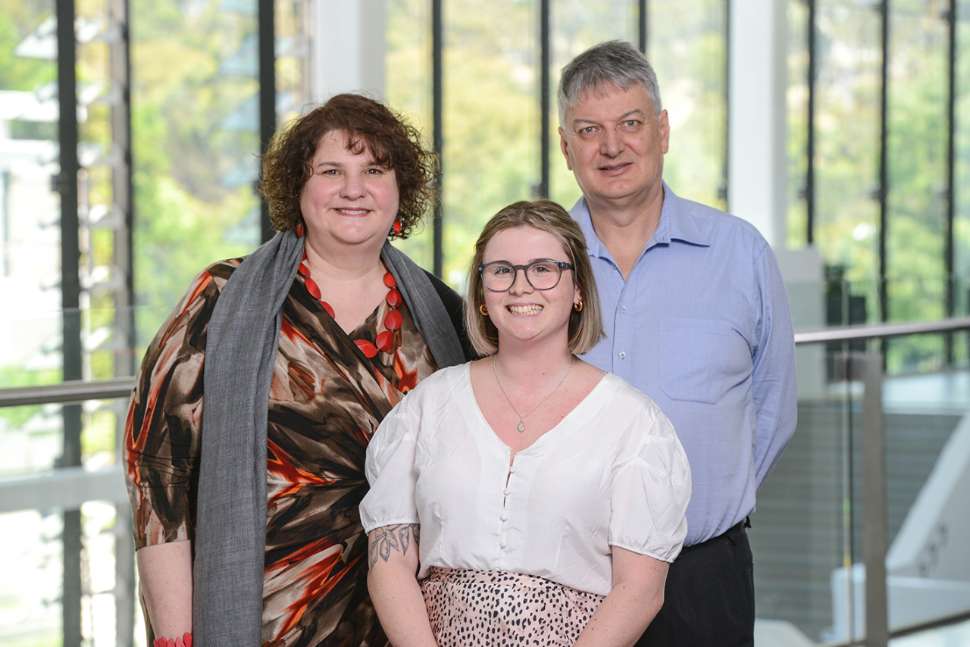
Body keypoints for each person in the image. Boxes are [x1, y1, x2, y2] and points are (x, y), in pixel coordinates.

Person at [123, 93, 471, 647]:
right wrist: (175, 633)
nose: (353, 188)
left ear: (400, 189)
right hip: (264, 616)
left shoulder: (446, 313)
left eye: (374, 170)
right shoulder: (221, 297)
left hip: (415, 617)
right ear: (299, 189)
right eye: (331, 170)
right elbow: (157, 468)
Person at [359, 200, 691, 646]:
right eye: (501, 270)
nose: (521, 286)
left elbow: (640, 590)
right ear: (481, 293)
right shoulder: (428, 404)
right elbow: (389, 564)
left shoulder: (634, 424)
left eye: (543, 269)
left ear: (578, 290)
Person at [557, 40, 798, 646]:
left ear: (661, 131)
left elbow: (772, 407)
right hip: (564, 575)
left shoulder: (740, 254)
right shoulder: (538, 262)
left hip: (704, 574)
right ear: (566, 148)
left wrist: (701, 511)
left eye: (630, 124)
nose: (612, 146)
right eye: (590, 130)